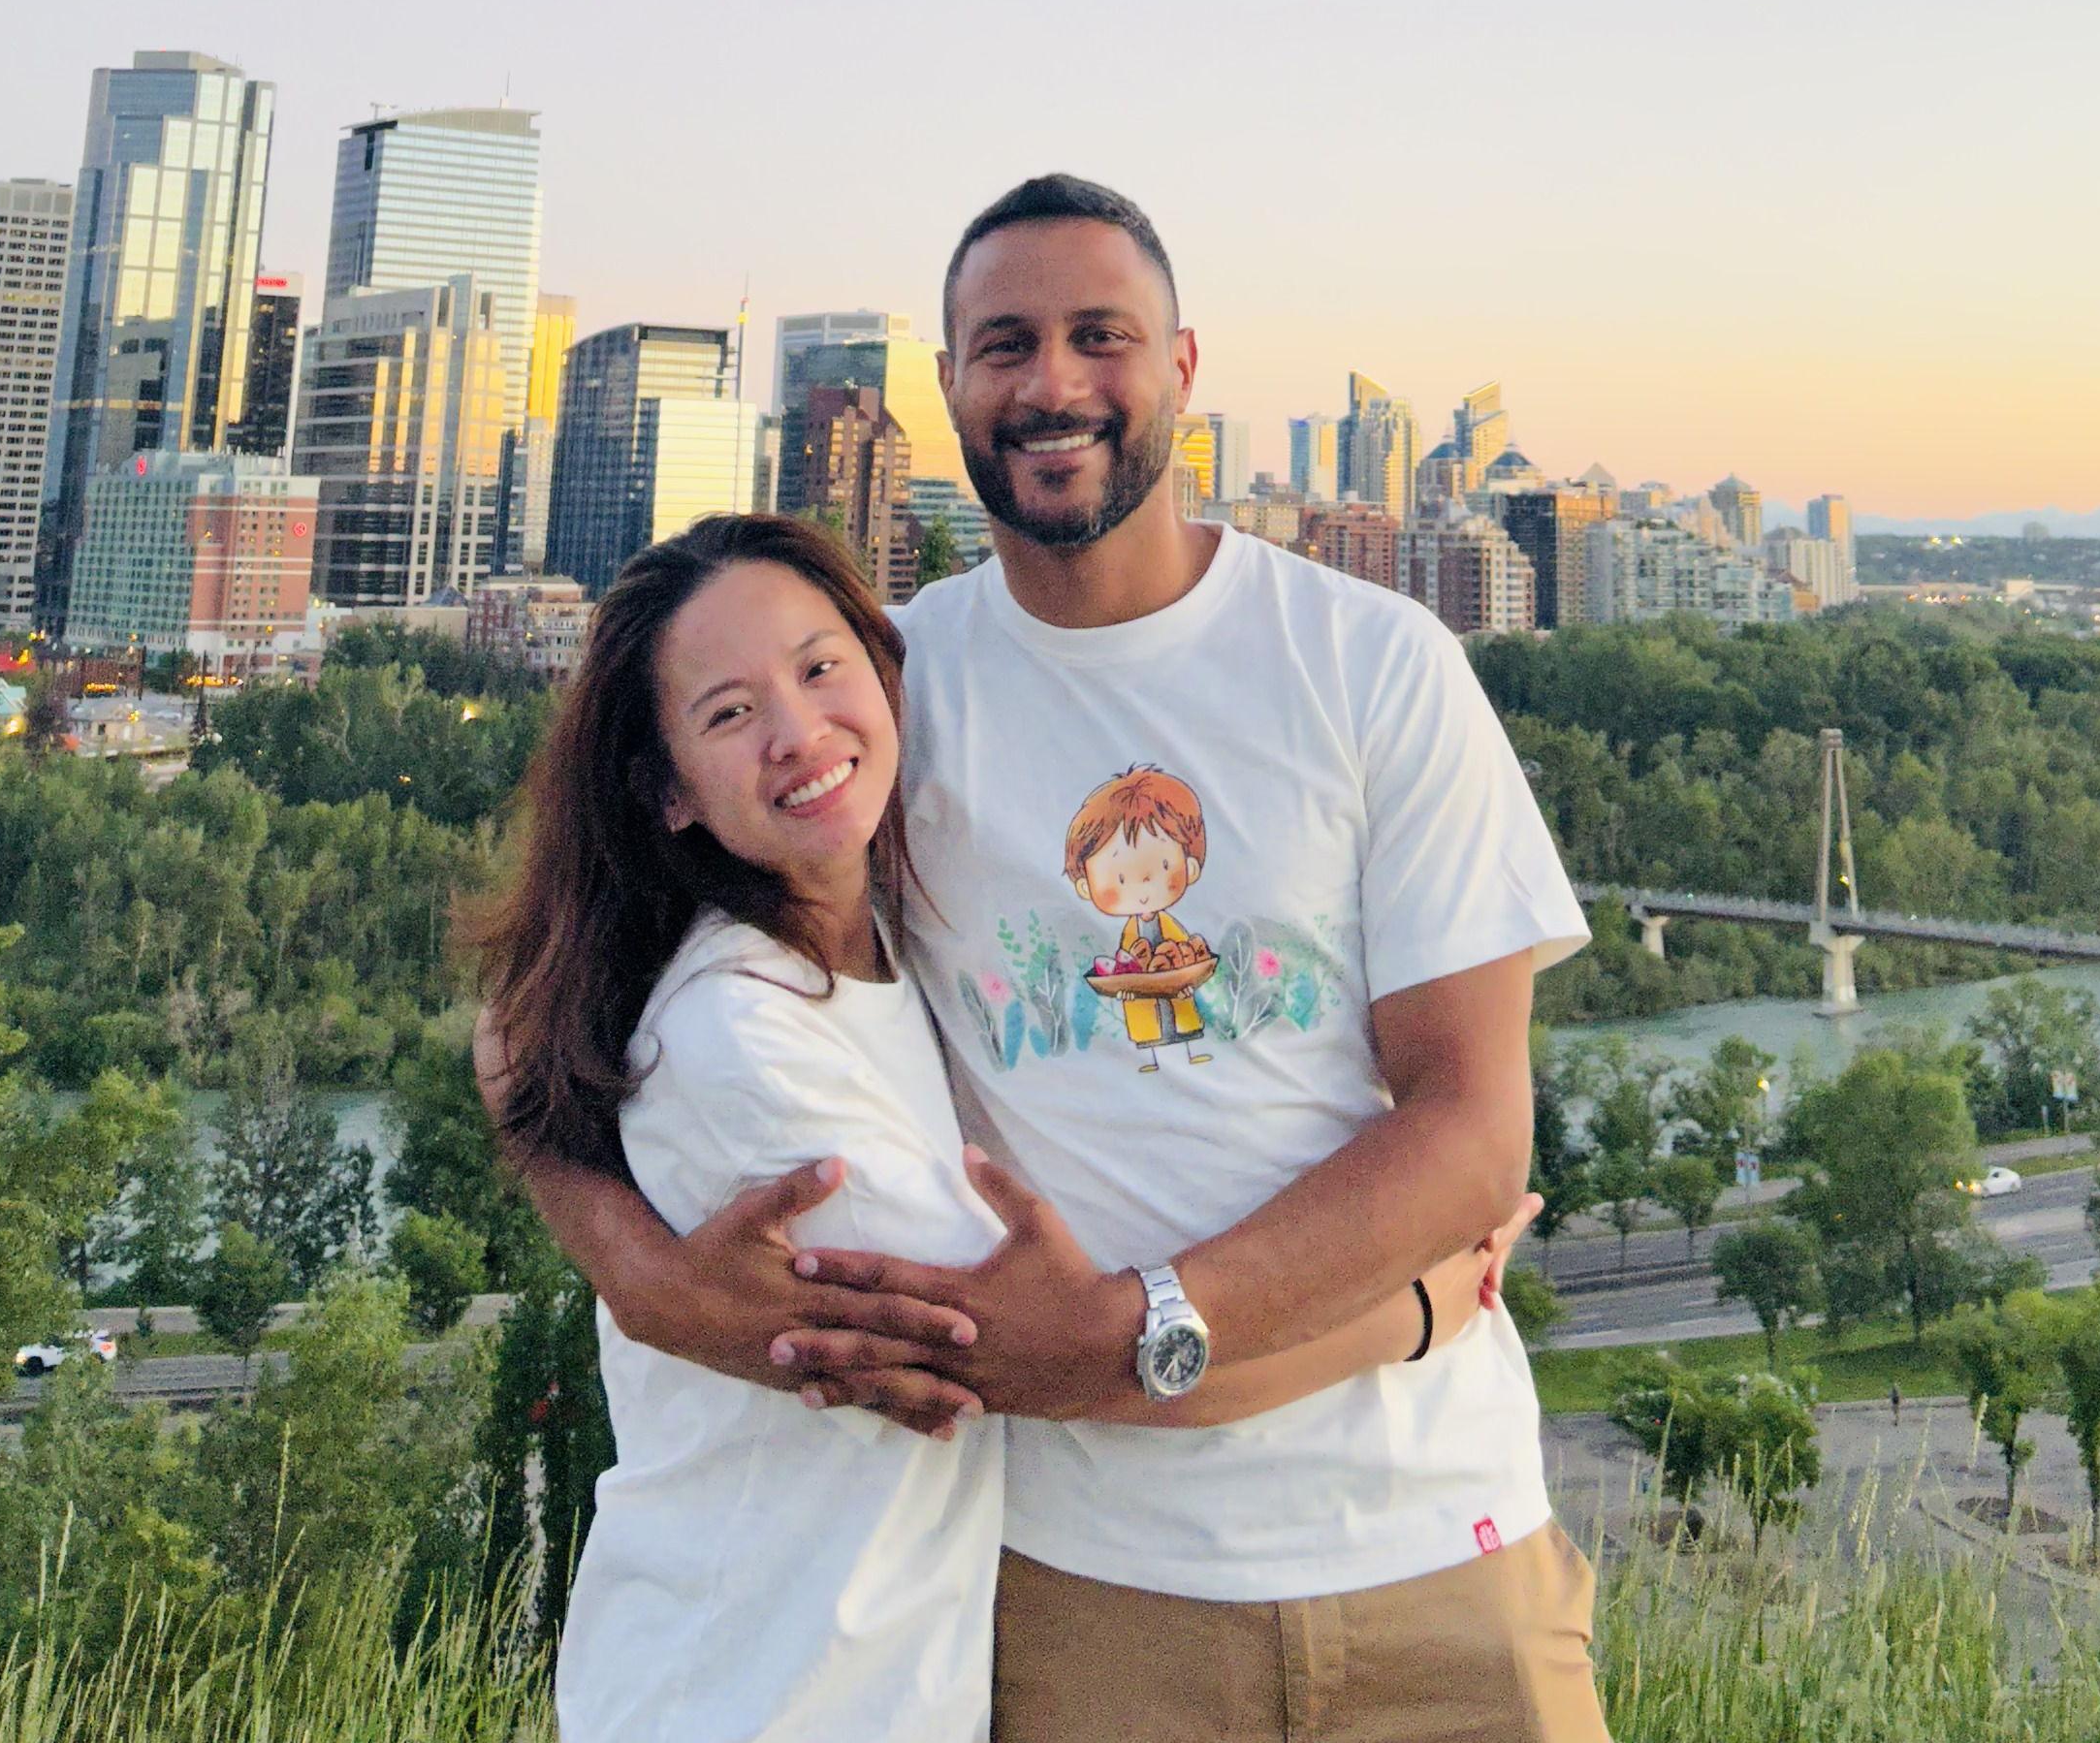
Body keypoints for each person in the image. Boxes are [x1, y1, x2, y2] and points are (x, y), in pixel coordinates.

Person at [505, 174, 1612, 1743]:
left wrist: (1137, 1326)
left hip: (1434, 1551)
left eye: (1102, 334)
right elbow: (541, 1014)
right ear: (949, 385)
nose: (1052, 380)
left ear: (1182, 364)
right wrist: (658, 1283)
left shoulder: (1372, 663)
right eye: (1001, 342)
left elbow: (1468, 1127)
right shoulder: (881, 696)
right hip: (1075, 1594)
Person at [469, 507, 1511, 1743]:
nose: (802, 732)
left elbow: (513, 1031)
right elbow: (1037, 1355)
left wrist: (637, 1278)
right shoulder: (747, 1045)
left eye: (818, 670)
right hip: (753, 1691)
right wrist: (1421, 1302)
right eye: (729, 714)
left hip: (875, 1677)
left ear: (880, 668)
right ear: (668, 794)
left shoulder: (862, 938)